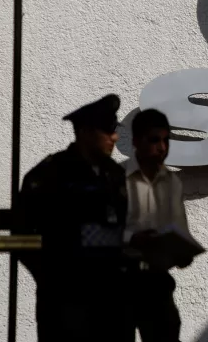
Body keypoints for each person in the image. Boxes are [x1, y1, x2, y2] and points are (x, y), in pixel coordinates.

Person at [13, 94, 131, 342]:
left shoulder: (115, 176)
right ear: (86, 132)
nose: (115, 137)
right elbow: (23, 237)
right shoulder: (48, 175)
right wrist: (55, 281)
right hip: (65, 306)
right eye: (108, 130)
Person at [124, 108, 191, 342]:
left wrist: (181, 253)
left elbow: (179, 231)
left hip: (156, 284)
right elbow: (92, 232)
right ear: (135, 142)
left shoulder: (172, 183)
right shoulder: (114, 179)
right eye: (154, 140)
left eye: (165, 140)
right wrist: (131, 239)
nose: (162, 147)